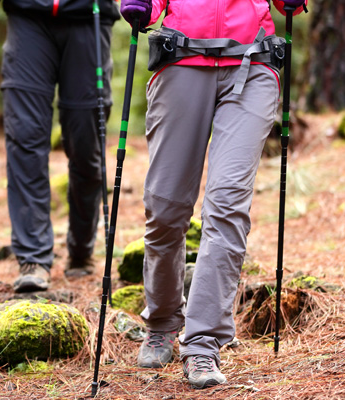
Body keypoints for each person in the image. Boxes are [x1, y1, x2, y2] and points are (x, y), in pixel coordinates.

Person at [118, 0, 307, 389]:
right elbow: (151, 9)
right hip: (181, 60)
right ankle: (163, 321)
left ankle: (203, 342)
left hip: (252, 64)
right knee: (165, 208)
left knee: (227, 205)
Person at [0, 0, 121, 292]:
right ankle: (33, 258)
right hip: (27, 16)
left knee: (87, 146)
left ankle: (82, 248)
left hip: (89, 15)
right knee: (24, 138)